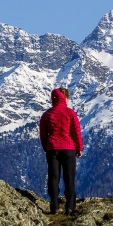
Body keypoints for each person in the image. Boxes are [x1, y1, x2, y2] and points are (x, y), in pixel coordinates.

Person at [38, 87, 83, 215]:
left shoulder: (47, 115)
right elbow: (76, 132)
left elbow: (43, 135)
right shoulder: (70, 113)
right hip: (68, 149)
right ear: (65, 98)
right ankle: (70, 207)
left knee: (53, 177)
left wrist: (46, 147)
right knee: (69, 178)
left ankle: (55, 205)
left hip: (52, 149)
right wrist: (79, 147)